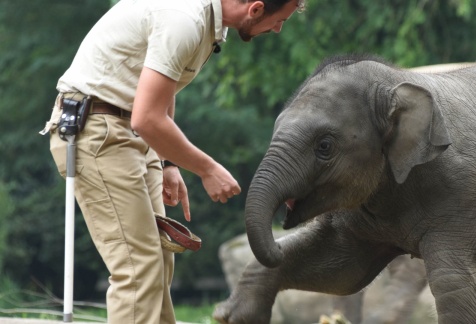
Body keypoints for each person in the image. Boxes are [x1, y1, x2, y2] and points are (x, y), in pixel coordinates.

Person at [39, 0, 305, 322]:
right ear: (256, 8)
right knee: (139, 267)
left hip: (133, 131)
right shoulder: (185, 18)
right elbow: (147, 117)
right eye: (279, 21)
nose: (277, 30)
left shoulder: (207, 20)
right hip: (99, 130)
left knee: (160, 261)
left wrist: (168, 162)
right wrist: (207, 169)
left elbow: (163, 90)